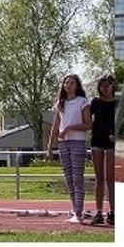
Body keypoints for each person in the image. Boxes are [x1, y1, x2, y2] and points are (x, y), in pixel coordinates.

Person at [48, 73, 91, 224]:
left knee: (77, 178)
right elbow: (55, 126)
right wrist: (50, 147)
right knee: (69, 179)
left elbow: (88, 124)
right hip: (63, 144)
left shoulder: (82, 101)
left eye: (72, 83)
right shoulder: (61, 103)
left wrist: (70, 128)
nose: (68, 85)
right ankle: (75, 210)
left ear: (77, 86)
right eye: (66, 82)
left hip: (77, 142)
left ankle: (79, 213)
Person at [88, 74, 117, 225]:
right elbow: (86, 119)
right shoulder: (96, 102)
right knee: (99, 178)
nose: (105, 88)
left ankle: (113, 212)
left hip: (112, 143)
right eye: (102, 85)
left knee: (111, 179)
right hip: (97, 141)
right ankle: (99, 212)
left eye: (107, 85)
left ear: (113, 86)